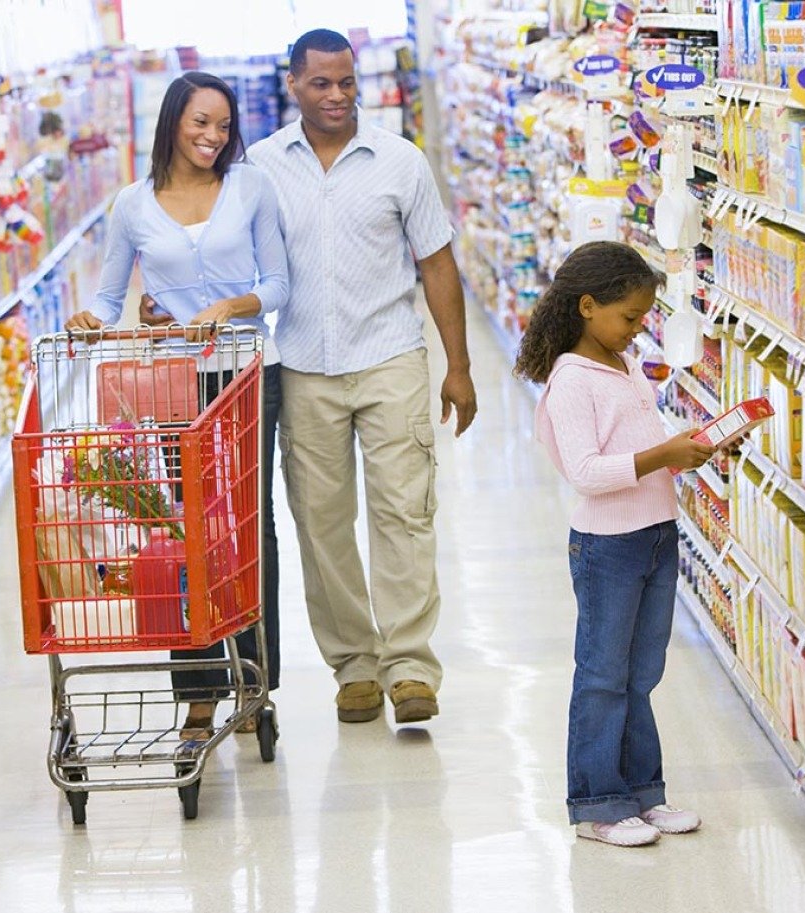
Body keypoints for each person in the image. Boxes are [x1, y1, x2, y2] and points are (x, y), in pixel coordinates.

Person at [248, 30, 478, 727]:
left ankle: (408, 665)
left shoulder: (399, 162)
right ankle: (354, 665)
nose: (339, 95)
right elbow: (232, 262)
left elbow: (437, 263)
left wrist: (458, 367)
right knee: (321, 524)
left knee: (404, 511)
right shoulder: (260, 168)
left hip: (391, 358)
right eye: (322, 83)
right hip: (306, 367)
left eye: (347, 82)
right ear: (293, 85)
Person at [65, 72, 287, 741]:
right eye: (200, 123)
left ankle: (255, 679)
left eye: (222, 126)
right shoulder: (133, 205)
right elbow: (108, 297)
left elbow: (277, 284)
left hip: (246, 373)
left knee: (248, 525)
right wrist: (90, 320)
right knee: (185, 526)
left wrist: (228, 307)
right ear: (171, 123)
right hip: (170, 385)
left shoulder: (249, 186)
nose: (213, 138)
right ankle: (197, 691)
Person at [517, 241, 712, 847]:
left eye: (644, 318)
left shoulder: (621, 367)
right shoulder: (573, 380)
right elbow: (588, 472)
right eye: (629, 318)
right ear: (586, 306)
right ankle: (597, 805)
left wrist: (684, 449)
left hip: (654, 534)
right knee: (603, 676)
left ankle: (643, 795)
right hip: (609, 548)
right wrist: (664, 454)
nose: (637, 329)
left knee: (642, 674)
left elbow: (633, 452)